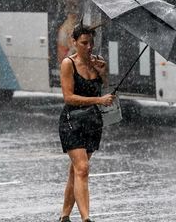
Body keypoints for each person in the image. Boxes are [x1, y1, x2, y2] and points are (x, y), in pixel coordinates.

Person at [58, 21, 115, 222]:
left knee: (76, 171)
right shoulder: (68, 64)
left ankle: (64, 216)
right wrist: (98, 100)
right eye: (83, 43)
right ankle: (86, 218)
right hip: (71, 121)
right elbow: (69, 97)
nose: (88, 47)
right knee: (82, 168)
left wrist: (104, 74)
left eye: (91, 43)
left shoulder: (97, 62)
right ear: (74, 42)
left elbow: (105, 88)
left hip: (92, 122)